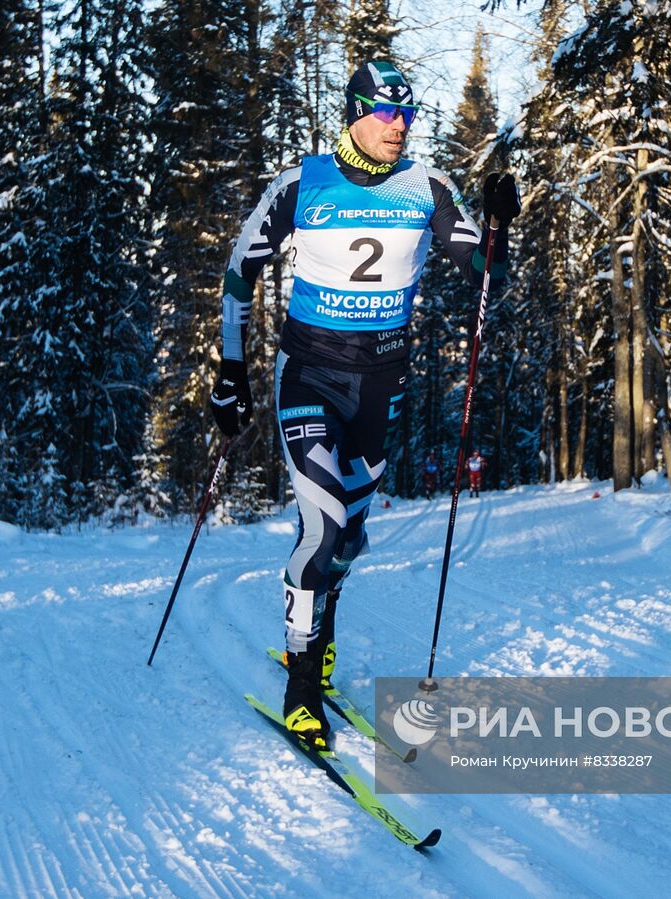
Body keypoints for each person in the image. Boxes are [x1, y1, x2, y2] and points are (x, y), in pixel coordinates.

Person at [208, 60, 520, 749]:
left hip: (381, 385)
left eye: (407, 114)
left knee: (347, 537)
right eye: (384, 112)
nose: (397, 126)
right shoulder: (303, 183)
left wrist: (496, 233)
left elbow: (480, 268)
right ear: (352, 112)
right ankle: (300, 684)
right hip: (309, 377)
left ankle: (319, 637)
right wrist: (231, 368)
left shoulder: (427, 187)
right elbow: (239, 272)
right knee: (321, 529)